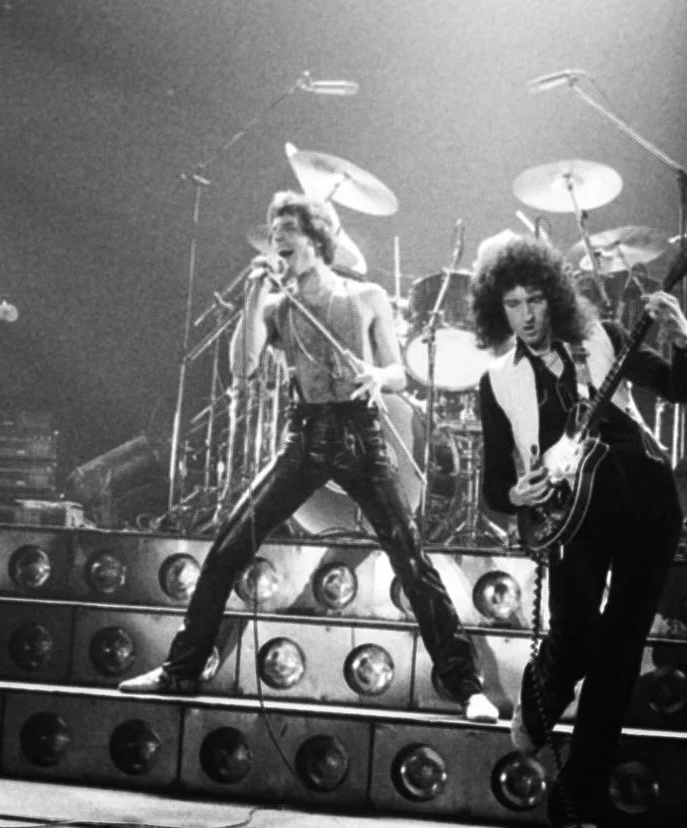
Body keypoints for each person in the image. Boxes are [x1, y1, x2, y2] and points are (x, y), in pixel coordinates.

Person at [121, 192, 499, 724]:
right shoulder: (277, 306)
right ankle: (180, 669)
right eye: (274, 236)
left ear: (317, 240)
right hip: (304, 438)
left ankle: (467, 688)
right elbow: (243, 367)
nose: (277, 243)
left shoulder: (366, 296)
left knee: (411, 560)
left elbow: (399, 373)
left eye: (287, 235)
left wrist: (377, 376)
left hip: (361, 438)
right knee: (228, 548)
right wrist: (254, 296)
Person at [472, 235, 687, 828]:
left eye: (536, 299)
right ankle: (537, 698)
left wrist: (682, 341)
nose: (527, 315)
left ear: (555, 296)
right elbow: (495, 486)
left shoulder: (602, 337)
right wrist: (517, 493)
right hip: (575, 515)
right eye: (513, 304)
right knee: (575, 636)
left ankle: (577, 809)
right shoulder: (497, 380)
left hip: (647, 500)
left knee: (620, 655)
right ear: (498, 311)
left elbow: (680, 388)